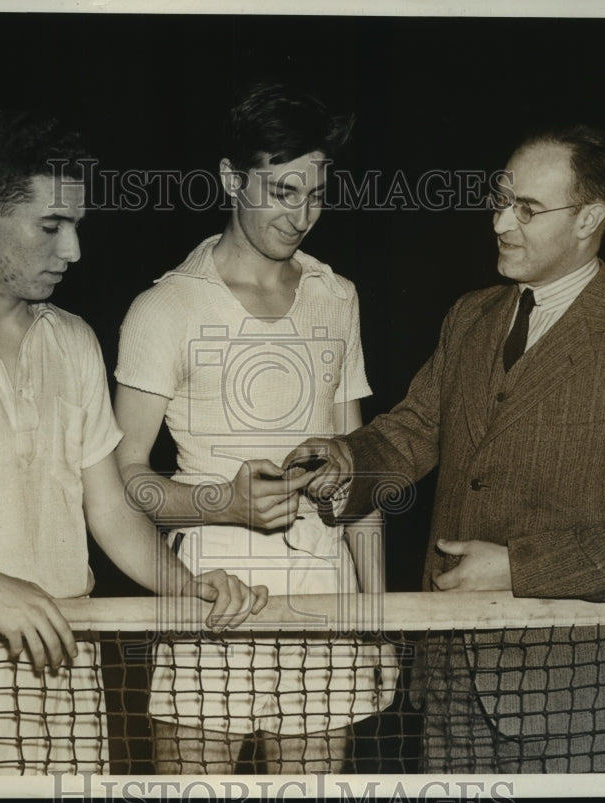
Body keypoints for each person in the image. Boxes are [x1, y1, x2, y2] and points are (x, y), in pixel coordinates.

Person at [0, 110, 267, 777]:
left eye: (78, 227)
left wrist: (185, 586)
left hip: (69, 657)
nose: (74, 251)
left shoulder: (76, 340)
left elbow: (110, 511)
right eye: (52, 226)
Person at [288, 124, 605, 773]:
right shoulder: (471, 316)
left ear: (589, 217)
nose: (501, 221)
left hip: (570, 697)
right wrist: (347, 459)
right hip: (450, 681)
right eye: (500, 198)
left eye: (528, 208)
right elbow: (413, 429)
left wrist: (516, 567)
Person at [114, 82, 396, 774]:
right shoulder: (164, 308)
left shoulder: (338, 296)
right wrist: (223, 502)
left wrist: (382, 618)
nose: (301, 214)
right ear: (231, 178)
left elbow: (357, 475)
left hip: (325, 598)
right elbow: (123, 481)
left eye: (316, 192)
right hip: (214, 593)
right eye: (280, 190)